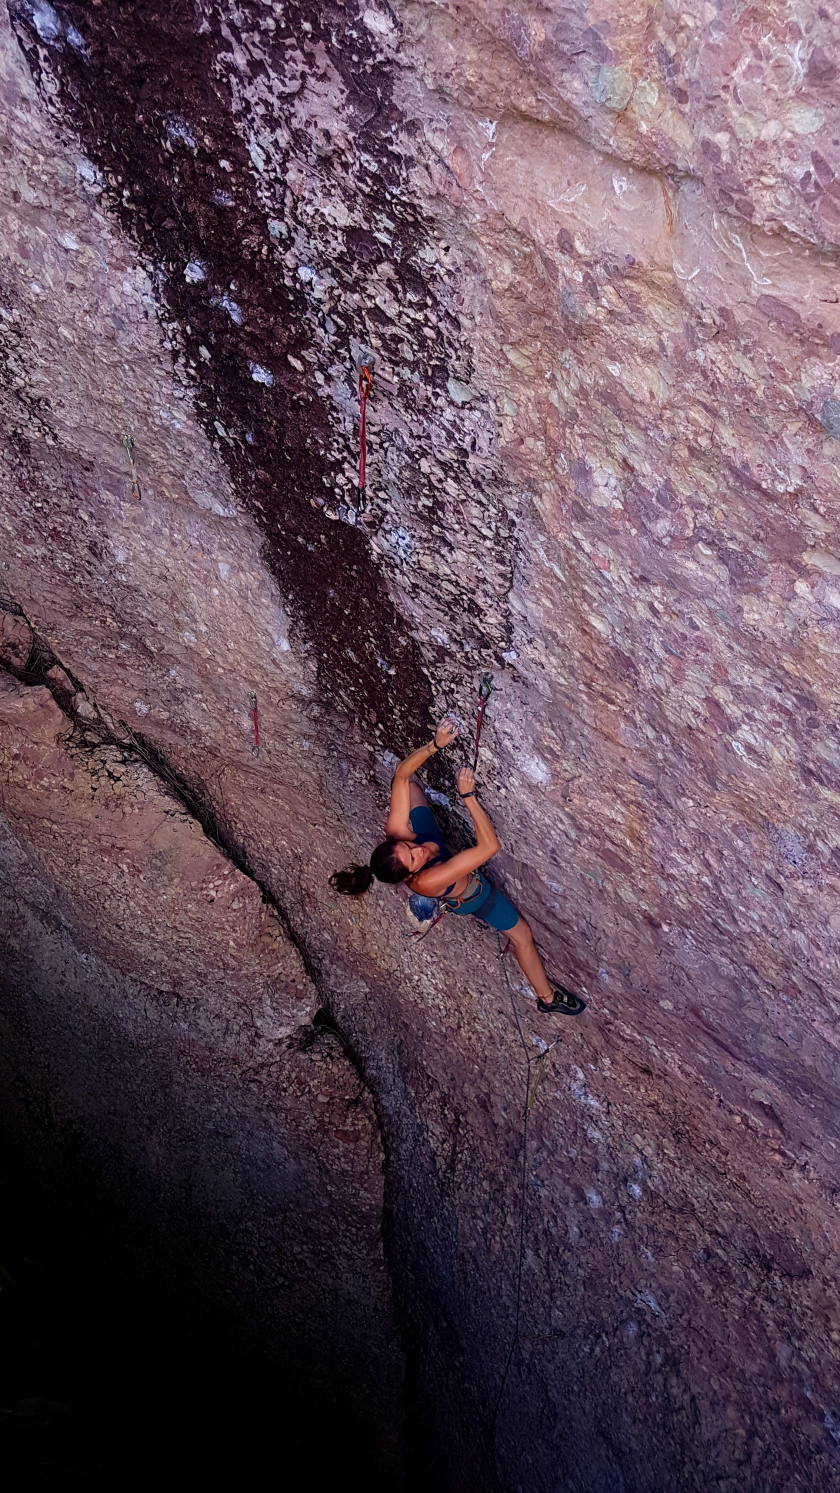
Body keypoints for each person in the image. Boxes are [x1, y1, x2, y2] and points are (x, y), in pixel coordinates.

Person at [330, 720, 586, 1016]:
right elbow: (489, 847)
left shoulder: (400, 836)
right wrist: (468, 798)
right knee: (522, 935)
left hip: (439, 844)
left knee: (411, 787)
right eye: (413, 856)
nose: (417, 849)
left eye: (408, 846)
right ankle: (547, 998)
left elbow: (401, 775)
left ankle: (428, 868)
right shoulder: (427, 879)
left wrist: (435, 744)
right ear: (411, 875)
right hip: (472, 893)